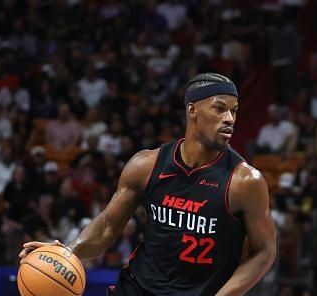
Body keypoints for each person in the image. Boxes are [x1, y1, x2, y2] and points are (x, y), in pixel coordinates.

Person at [19, 73, 276, 296]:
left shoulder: (244, 182)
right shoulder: (147, 165)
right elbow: (108, 227)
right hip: (137, 288)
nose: (230, 118)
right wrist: (67, 252)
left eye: (234, 110)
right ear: (192, 110)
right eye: (219, 108)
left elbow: (264, 251)